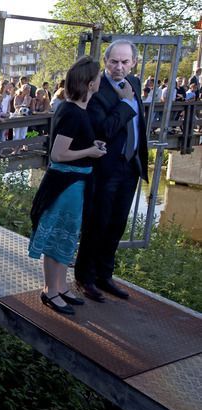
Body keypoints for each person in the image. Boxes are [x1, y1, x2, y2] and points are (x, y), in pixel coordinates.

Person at [29, 56, 106, 315]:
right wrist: (90, 151)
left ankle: (60, 286)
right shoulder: (72, 111)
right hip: (66, 184)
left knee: (67, 236)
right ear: (91, 82)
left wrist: (91, 148)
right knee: (57, 237)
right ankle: (50, 291)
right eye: (99, 76)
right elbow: (58, 154)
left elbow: (71, 147)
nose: (101, 79)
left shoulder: (75, 109)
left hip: (75, 183)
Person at [75, 40, 149, 302]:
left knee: (117, 223)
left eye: (125, 62)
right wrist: (127, 105)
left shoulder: (135, 83)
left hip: (130, 165)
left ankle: (105, 275)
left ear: (133, 63)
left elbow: (138, 120)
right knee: (97, 222)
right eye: (114, 61)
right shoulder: (96, 87)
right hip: (106, 167)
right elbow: (103, 129)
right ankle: (85, 276)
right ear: (106, 61)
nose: (119, 67)